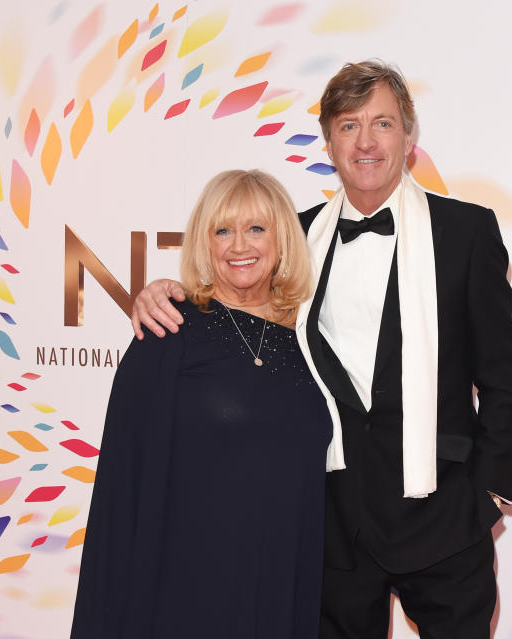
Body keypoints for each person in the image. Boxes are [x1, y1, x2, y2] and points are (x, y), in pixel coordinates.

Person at [131, 61, 512, 639]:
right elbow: (235, 300)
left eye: (383, 124)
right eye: (348, 126)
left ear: (408, 138)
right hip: (330, 524)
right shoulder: (295, 237)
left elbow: (504, 377)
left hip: (444, 516)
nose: (365, 142)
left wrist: (489, 490)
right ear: (328, 141)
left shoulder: (466, 232)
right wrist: (166, 291)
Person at [70, 170, 332, 638]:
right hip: (189, 589)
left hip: (284, 581)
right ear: (203, 243)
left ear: (282, 240)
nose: (239, 245)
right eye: (222, 230)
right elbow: (121, 487)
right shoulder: (170, 331)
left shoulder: (312, 337)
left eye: (256, 228)